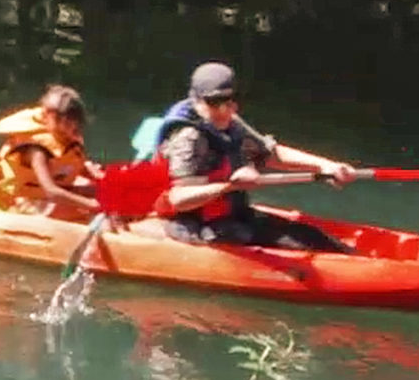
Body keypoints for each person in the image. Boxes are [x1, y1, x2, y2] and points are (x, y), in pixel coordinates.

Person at [140, 62, 356, 252]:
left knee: (311, 237)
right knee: (292, 244)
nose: (226, 109)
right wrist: (230, 186)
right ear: (197, 101)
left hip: (230, 214)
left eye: (231, 100)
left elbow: (272, 155)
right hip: (194, 224)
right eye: (216, 102)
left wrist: (326, 166)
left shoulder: (229, 121)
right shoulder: (189, 137)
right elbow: (179, 200)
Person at [0, 85, 101, 213]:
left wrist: (94, 174)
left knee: (98, 190)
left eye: (73, 123)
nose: (68, 129)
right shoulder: (36, 150)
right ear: (45, 116)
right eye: (60, 121)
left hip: (54, 191)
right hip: (24, 199)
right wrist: (92, 205)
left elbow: (68, 166)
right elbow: (51, 191)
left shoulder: (69, 138)